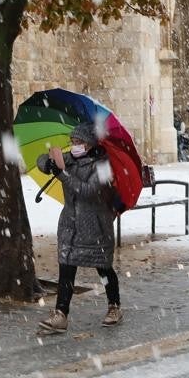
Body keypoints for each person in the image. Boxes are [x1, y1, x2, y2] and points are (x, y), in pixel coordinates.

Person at [35, 122, 122, 335]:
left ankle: (114, 306)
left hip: (95, 225)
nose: (75, 146)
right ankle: (60, 315)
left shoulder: (103, 166)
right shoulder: (70, 159)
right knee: (66, 268)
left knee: (103, 267)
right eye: (72, 141)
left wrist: (63, 175)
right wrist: (48, 163)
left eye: (79, 142)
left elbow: (89, 191)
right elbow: (41, 161)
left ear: (90, 144)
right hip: (70, 224)